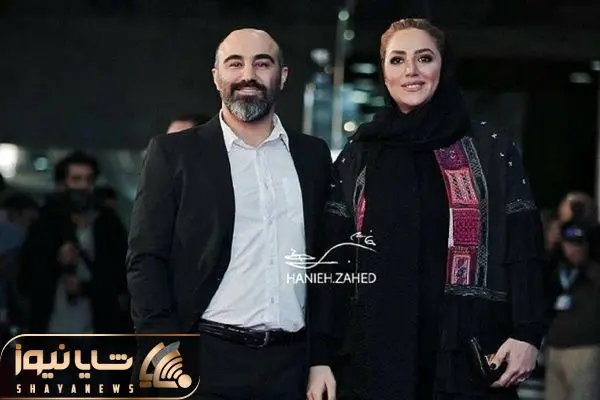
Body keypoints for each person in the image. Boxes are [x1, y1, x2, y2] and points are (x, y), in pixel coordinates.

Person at [308, 18, 546, 400]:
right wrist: (319, 356)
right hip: (371, 355)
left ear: (443, 66)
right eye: (397, 60)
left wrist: (528, 333)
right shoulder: (361, 152)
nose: (411, 71)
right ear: (384, 72)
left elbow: (524, 246)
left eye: (424, 58)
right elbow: (334, 261)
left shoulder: (489, 146)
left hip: (469, 354)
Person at [127, 28, 333, 399]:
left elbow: (323, 263)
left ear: (283, 76)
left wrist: (320, 358)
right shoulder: (174, 154)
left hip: (291, 368)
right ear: (216, 76)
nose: (247, 75)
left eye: (262, 64)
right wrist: (160, 352)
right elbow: (146, 259)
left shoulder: (313, 156)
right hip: (202, 360)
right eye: (235, 64)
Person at [544, 219, 600, 400]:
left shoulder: (594, 273)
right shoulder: (555, 271)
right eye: (569, 244)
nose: (574, 249)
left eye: (579, 244)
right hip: (554, 350)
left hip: (584, 351)